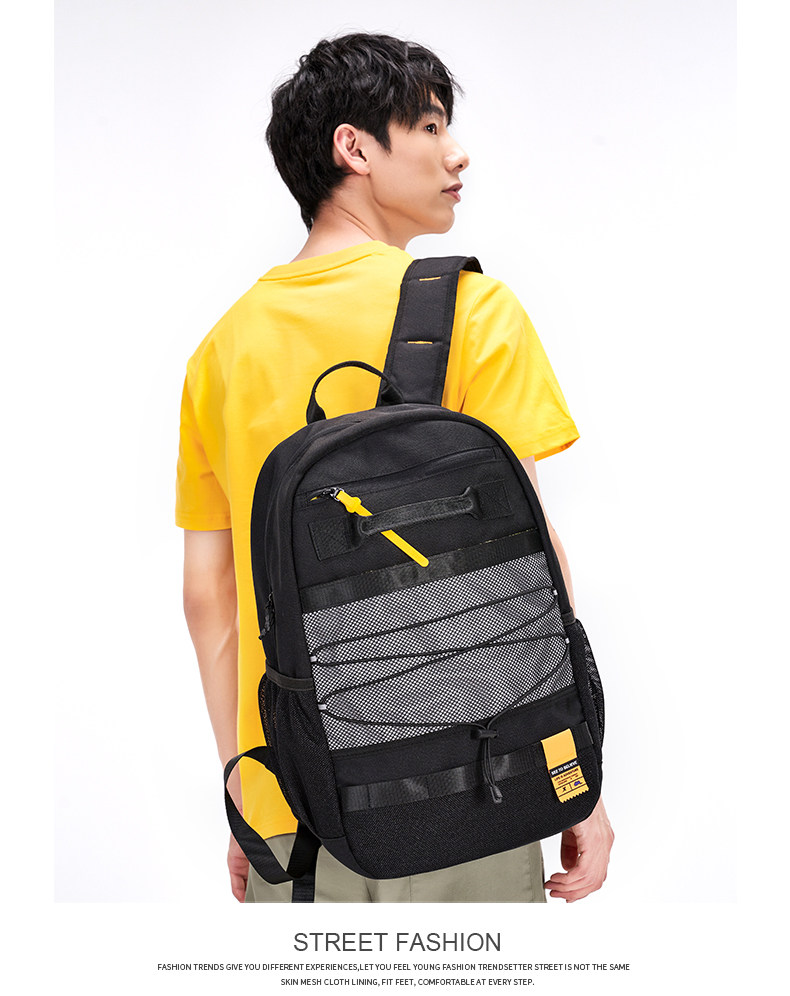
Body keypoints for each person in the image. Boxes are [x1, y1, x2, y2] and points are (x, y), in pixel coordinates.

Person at [176, 32, 614, 903]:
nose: (457, 154)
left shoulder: (220, 351)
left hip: (296, 804)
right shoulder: (474, 310)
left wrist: (249, 792)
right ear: (355, 148)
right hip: (471, 783)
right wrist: (575, 775)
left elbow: (207, 598)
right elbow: (530, 575)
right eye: (429, 125)